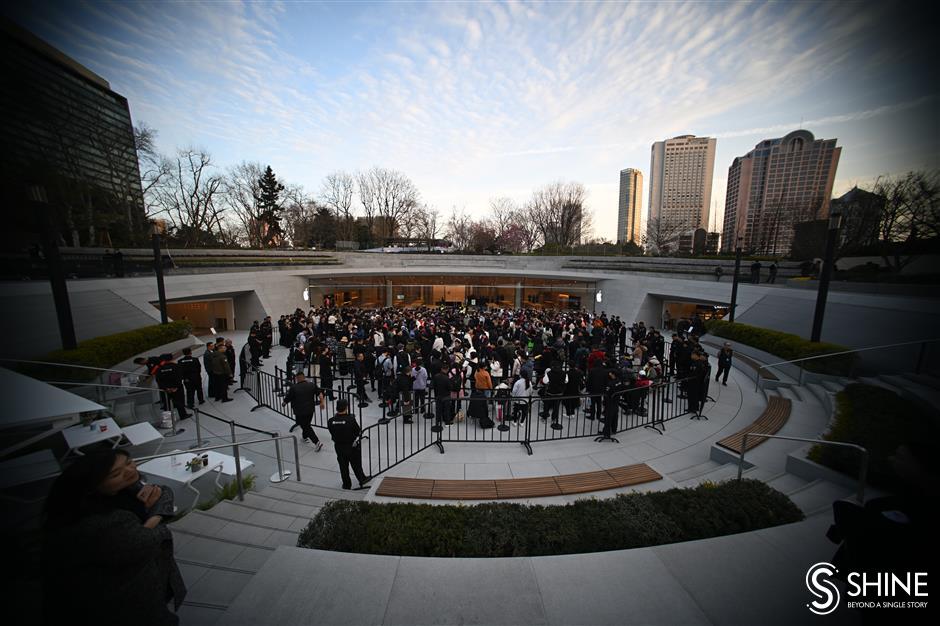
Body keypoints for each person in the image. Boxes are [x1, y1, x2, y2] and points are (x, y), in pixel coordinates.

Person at [42, 449, 185, 624]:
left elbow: (163, 492)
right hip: (118, 603)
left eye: (129, 462)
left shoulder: (123, 492)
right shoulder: (97, 523)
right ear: (92, 486)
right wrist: (156, 514)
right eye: (116, 473)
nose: (130, 471)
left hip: (138, 590)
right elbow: (145, 540)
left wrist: (154, 513)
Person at [327, 398, 370, 490]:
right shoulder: (350, 419)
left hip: (338, 446)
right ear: (346, 407)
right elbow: (358, 431)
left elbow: (331, 432)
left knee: (343, 466)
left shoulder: (330, 421)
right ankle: (362, 479)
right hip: (351, 446)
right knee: (356, 464)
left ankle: (346, 484)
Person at [282, 372, 324, 450]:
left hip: (300, 411)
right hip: (310, 410)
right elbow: (320, 393)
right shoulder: (311, 385)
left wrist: (284, 403)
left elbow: (288, 398)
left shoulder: (294, 388)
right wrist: (322, 402)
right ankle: (304, 437)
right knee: (305, 424)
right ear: (304, 377)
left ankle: (317, 442)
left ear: (297, 378)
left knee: (306, 426)